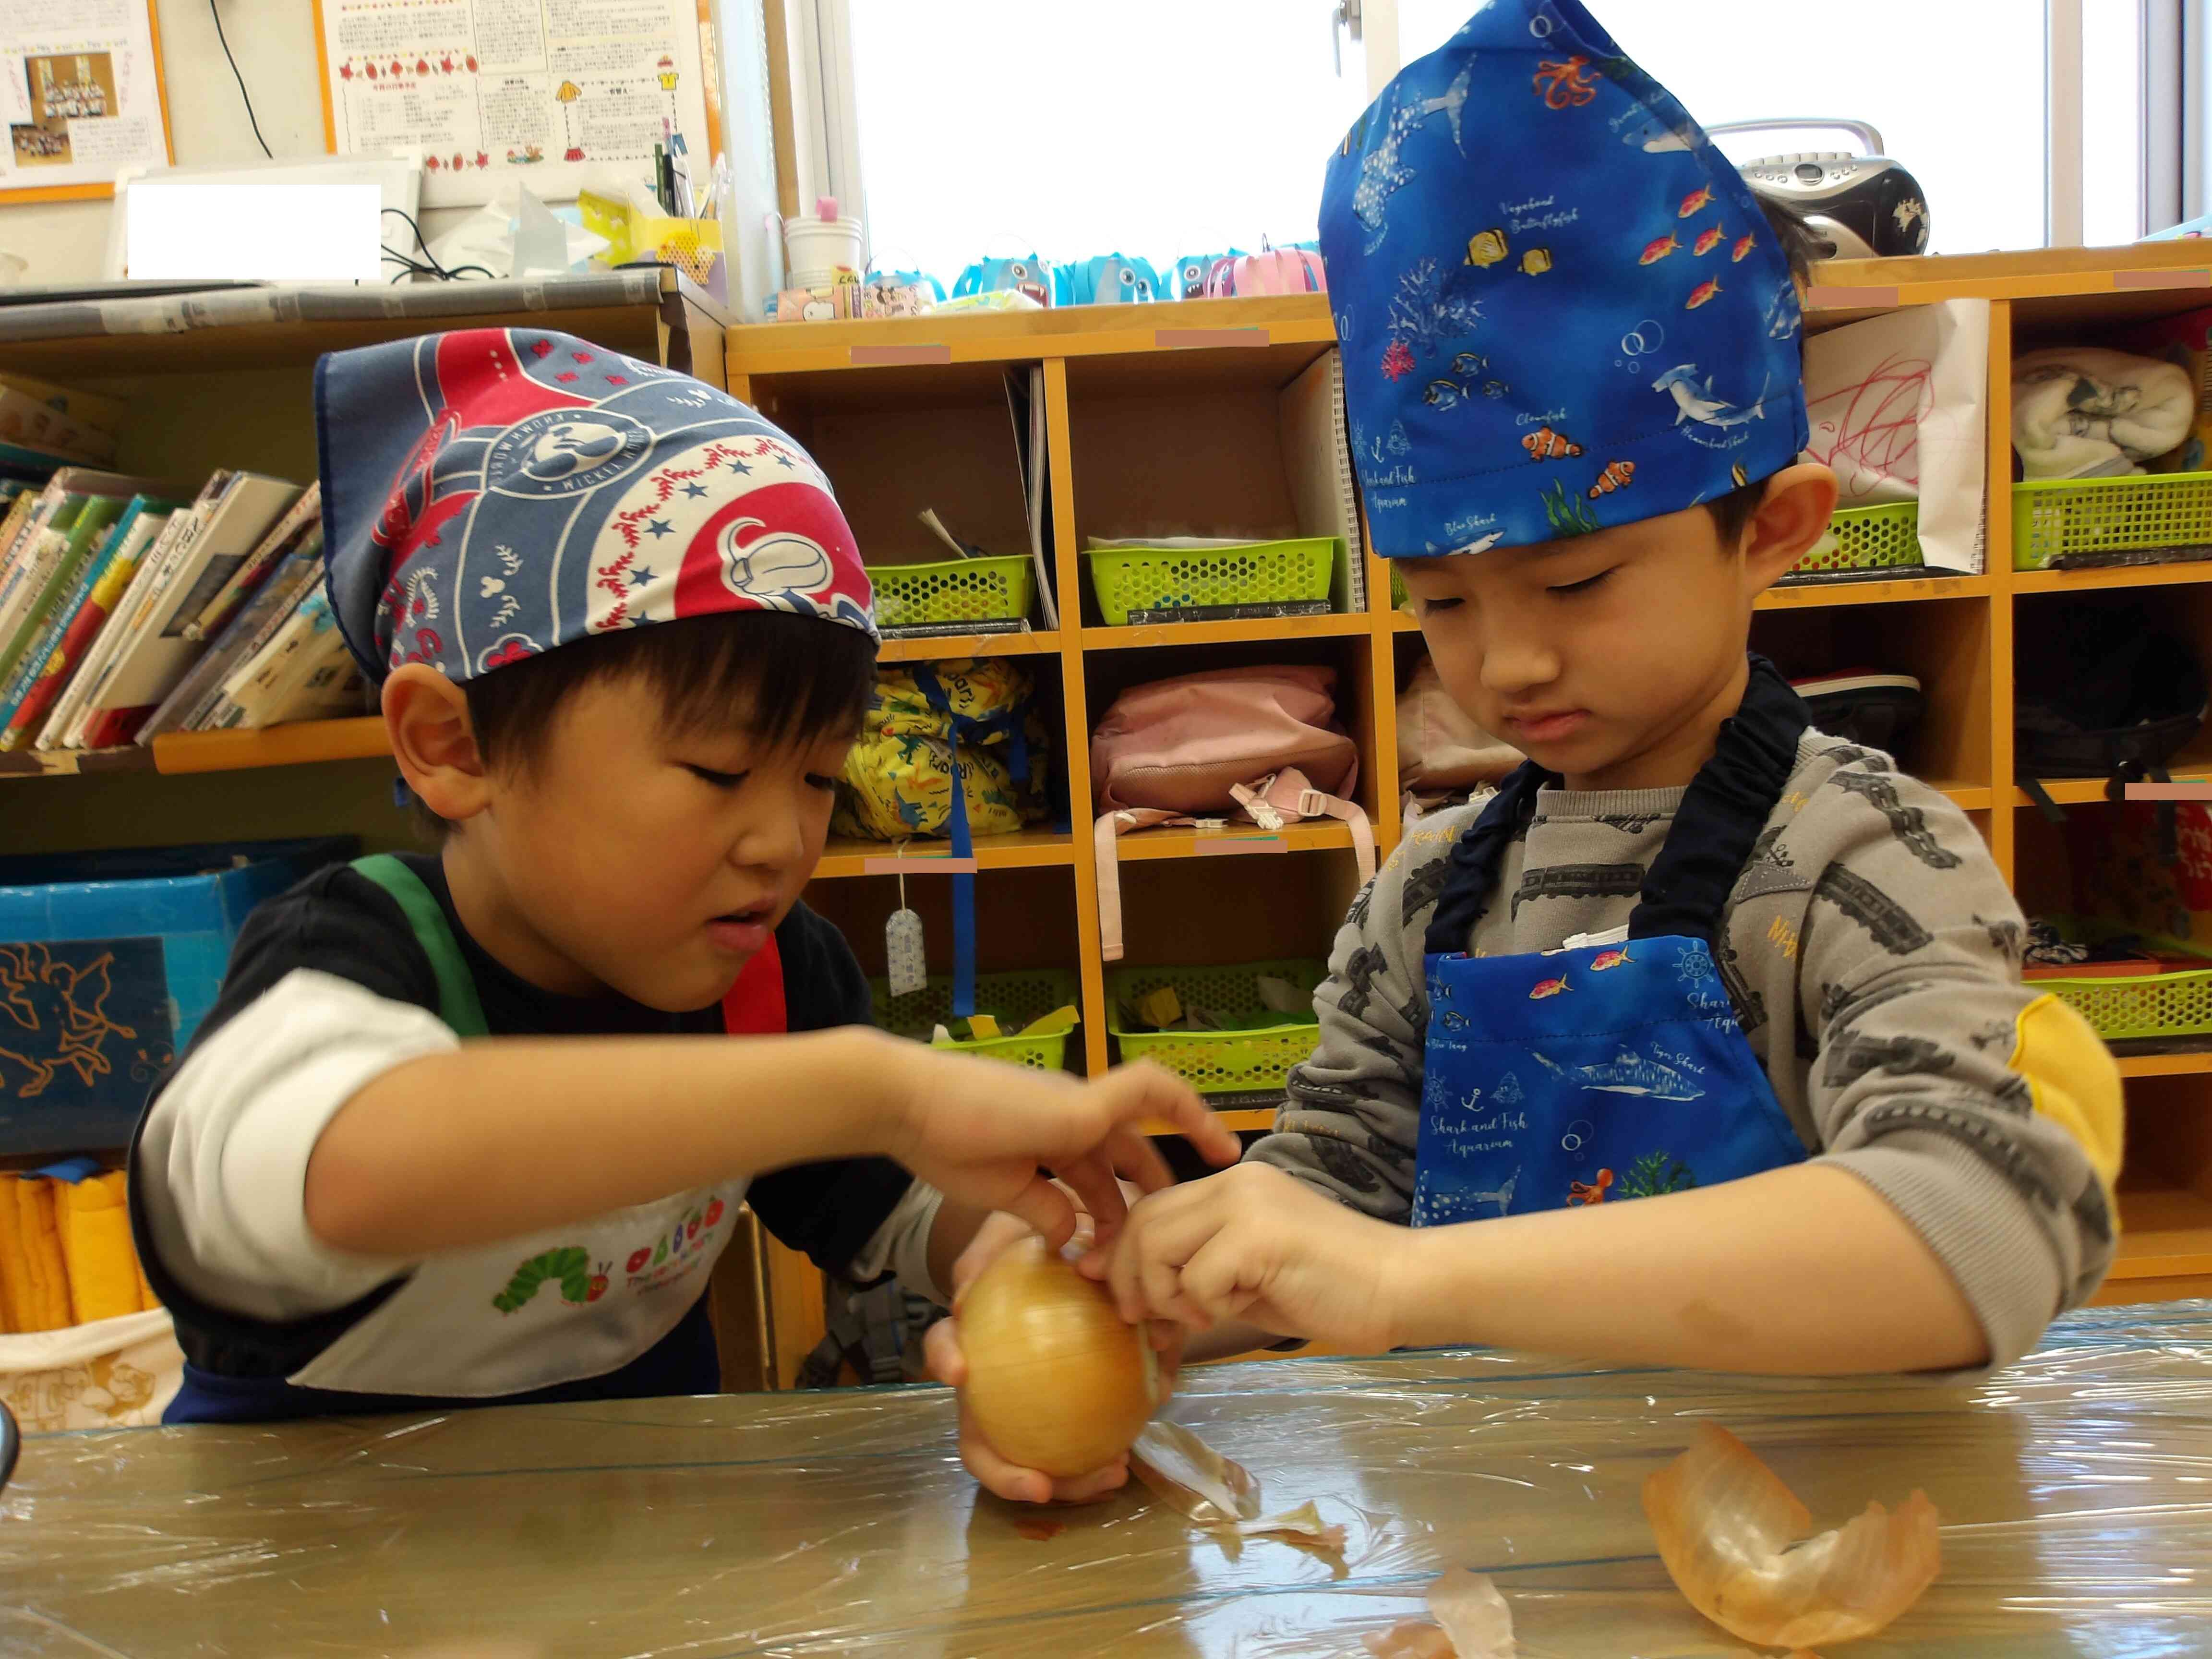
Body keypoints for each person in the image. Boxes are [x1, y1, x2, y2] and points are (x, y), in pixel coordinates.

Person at [932, 0, 2123, 1503]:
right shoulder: (1430, 897)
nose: (1510, 662)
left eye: (1575, 585)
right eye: (1442, 601)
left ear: (1773, 530)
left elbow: (1982, 1229)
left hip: (1826, 1544)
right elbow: (1333, 1191)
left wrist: (1409, 1287)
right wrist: (1140, 1287)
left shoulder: (1868, 864)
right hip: (1502, 1557)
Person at [129, 328, 1235, 1424]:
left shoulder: (764, 973)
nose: (781, 843)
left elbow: (889, 1206)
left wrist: (1013, 1260)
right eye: (717, 770)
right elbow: (346, 1169)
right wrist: (878, 1089)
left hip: (643, 1547)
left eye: (815, 775)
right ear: (454, 747)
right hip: (311, 1567)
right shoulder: (345, 960)